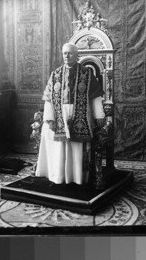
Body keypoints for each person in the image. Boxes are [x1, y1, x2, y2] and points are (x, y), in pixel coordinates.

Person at [35, 43, 106, 185]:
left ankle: (75, 177)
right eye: (64, 53)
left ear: (76, 54)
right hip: (59, 112)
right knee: (55, 141)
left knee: (75, 145)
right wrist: (49, 117)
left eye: (70, 53)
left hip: (80, 113)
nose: (66, 56)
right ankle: (58, 175)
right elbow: (49, 99)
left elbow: (95, 96)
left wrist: (99, 115)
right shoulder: (55, 74)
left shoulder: (87, 73)